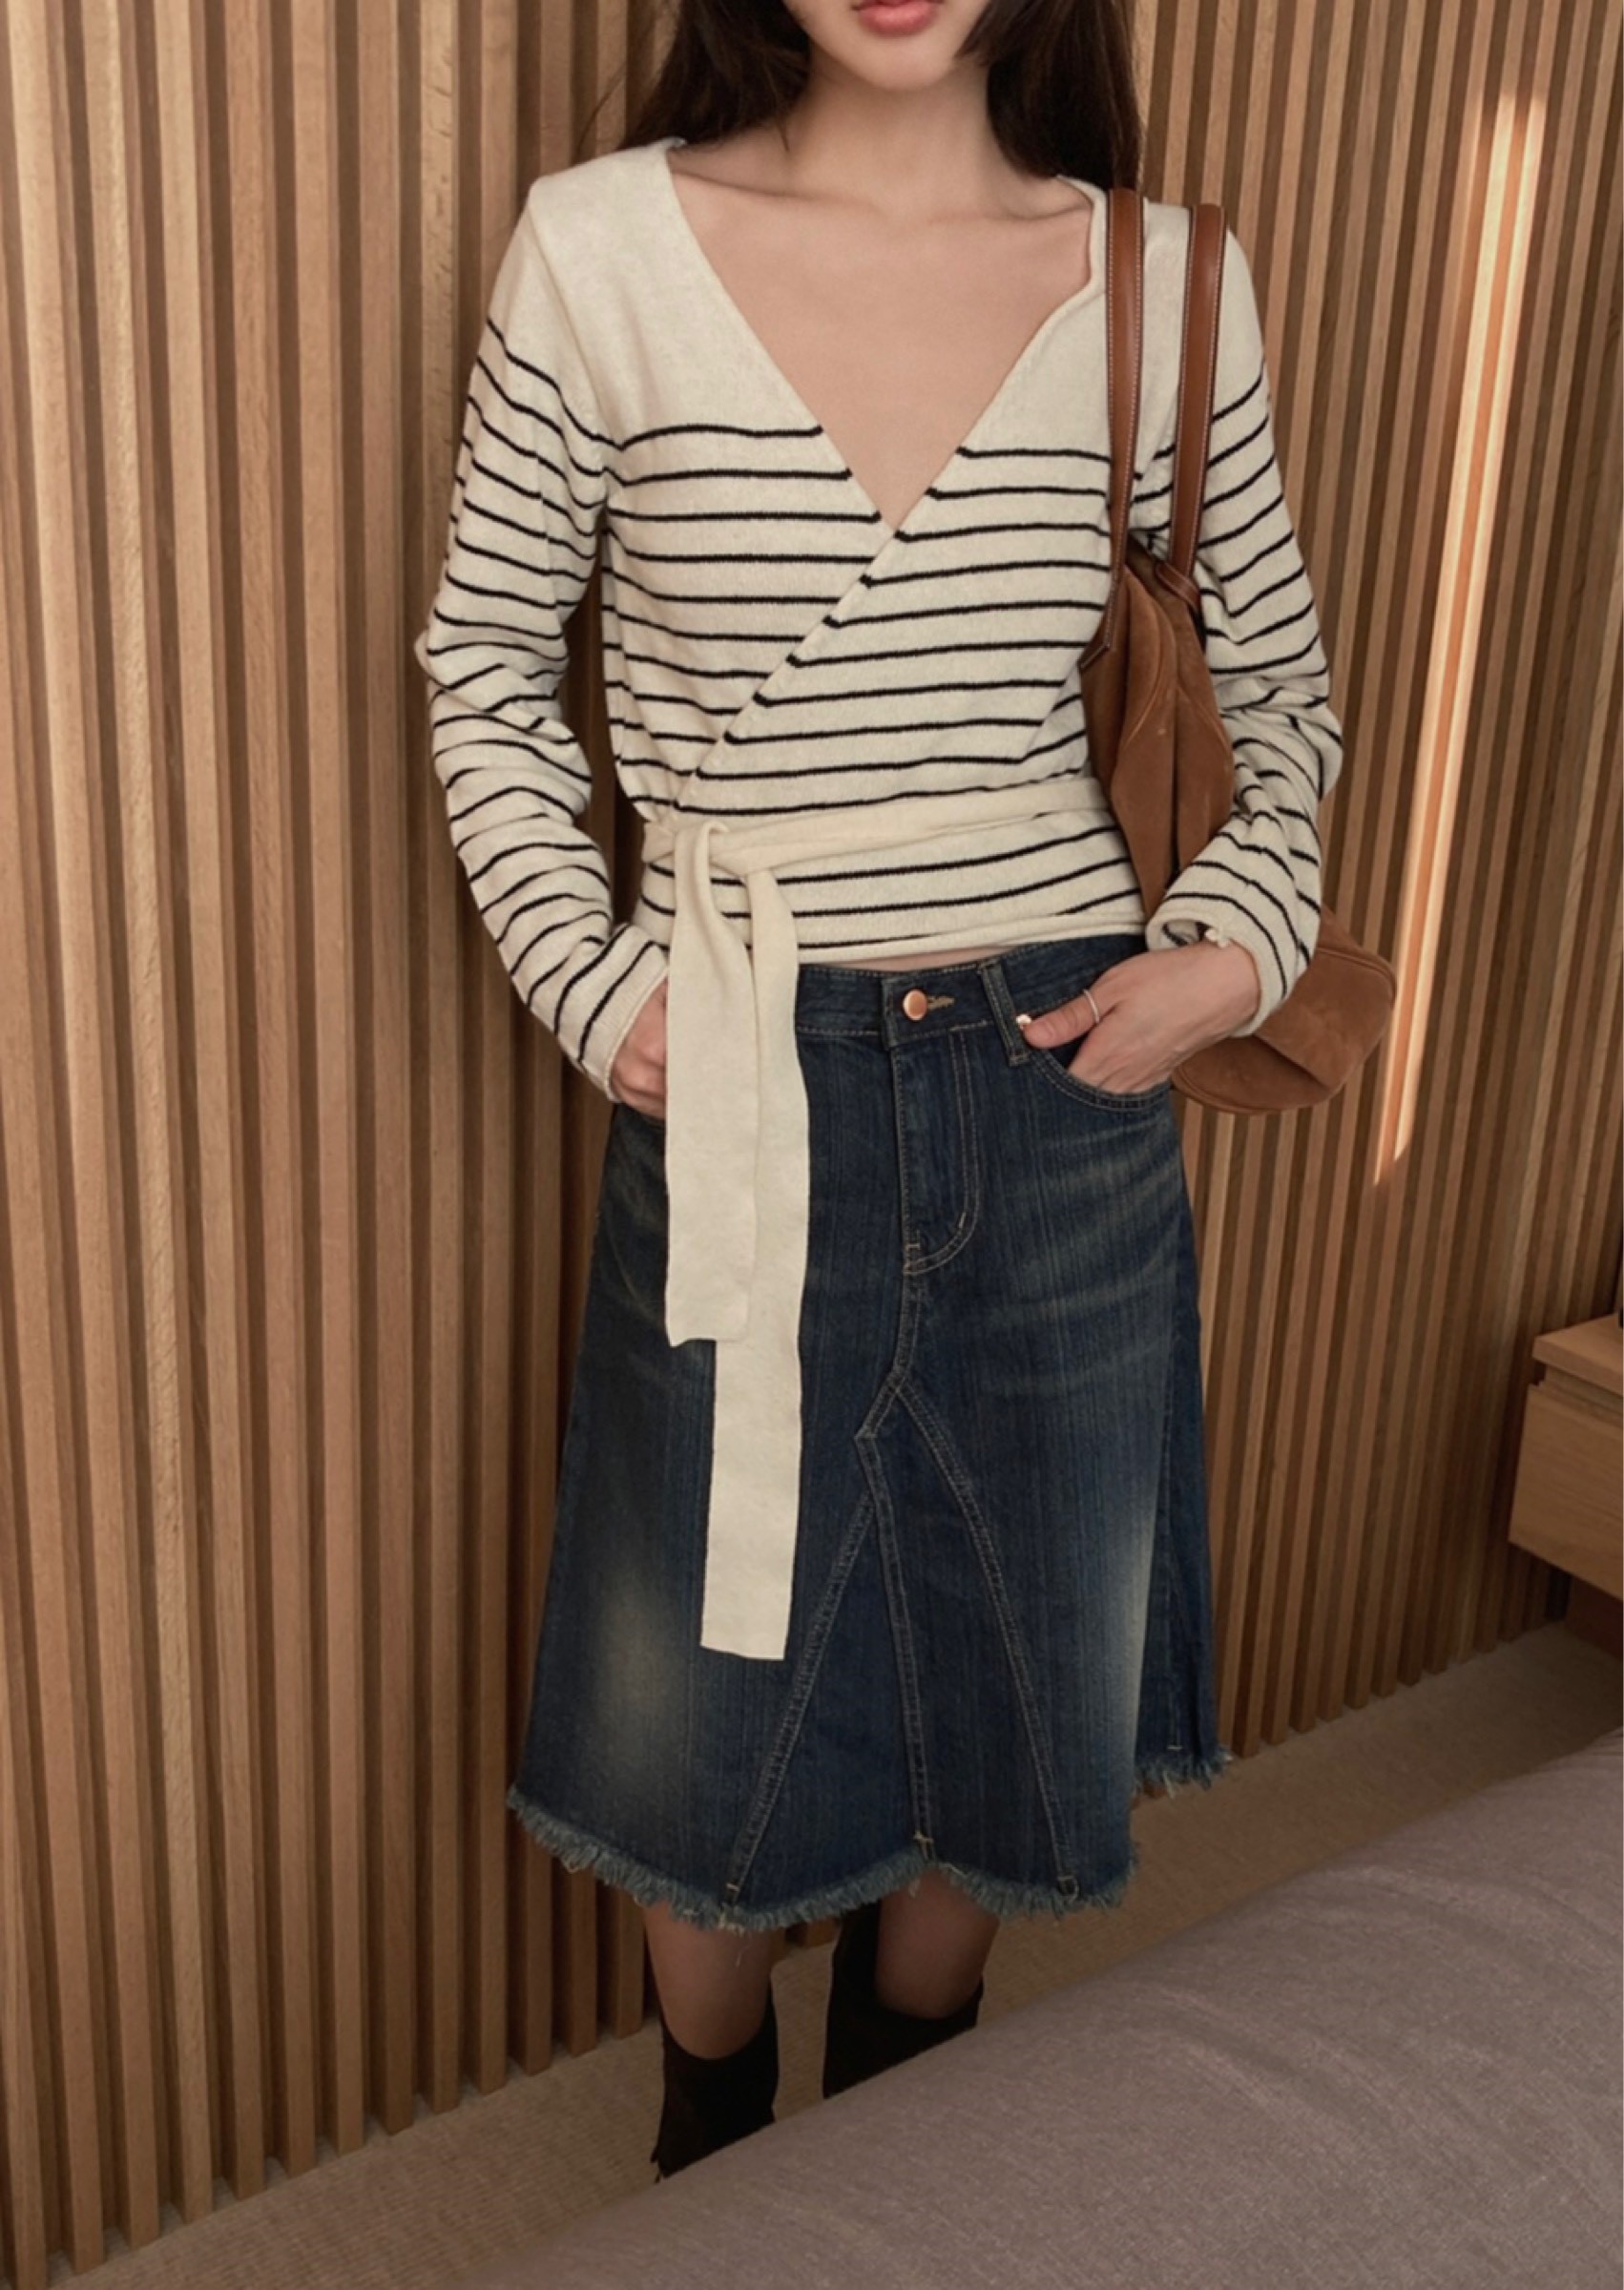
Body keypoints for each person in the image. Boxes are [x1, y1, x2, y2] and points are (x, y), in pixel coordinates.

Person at [413, 0, 1343, 2184]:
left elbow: (1282, 701)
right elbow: (483, 667)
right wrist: (594, 986)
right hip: (742, 1064)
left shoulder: (1164, 281)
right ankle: (713, 2136)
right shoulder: (597, 248)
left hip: (1066, 1068)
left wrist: (1232, 953)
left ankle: (902, 2144)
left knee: (1015, 1655)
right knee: (700, 1678)